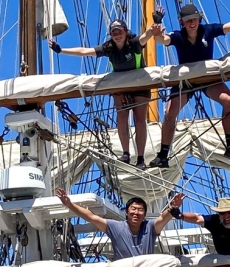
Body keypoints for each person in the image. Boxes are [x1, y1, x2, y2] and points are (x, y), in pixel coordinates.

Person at [147, 1, 230, 169]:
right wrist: (156, 26)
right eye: (188, 21)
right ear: (182, 23)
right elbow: (162, 40)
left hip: (207, 78)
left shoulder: (208, 30)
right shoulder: (179, 36)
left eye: (194, 19)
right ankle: (163, 154)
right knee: (170, 111)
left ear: (199, 19)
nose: (192, 23)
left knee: (228, 100)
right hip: (186, 81)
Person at [48, 20, 159, 169]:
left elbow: (147, 35)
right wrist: (61, 50)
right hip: (120, 84)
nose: (117, 35)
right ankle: (126, 153)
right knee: (121, 116)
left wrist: (156, 22)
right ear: (111, 35)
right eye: (114, 33)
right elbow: (85, 51)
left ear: (126, 32)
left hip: (139, 83)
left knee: (140, 119)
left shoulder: (134, 43)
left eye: (120, 31)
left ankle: (140, 158)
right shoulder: (109, 47)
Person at [56, 188, 182, 267]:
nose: (136, 213)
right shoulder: (115, 227)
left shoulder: (150, 227)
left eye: (140, 210)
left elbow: (163, 218)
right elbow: (91, 217)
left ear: (144, 215)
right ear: (127, 212)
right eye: (133, 209)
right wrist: (69, 204)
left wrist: (172, 208)